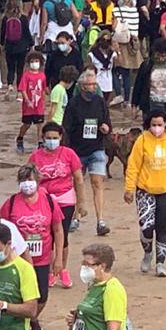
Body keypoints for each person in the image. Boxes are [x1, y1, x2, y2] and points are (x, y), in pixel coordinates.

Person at [0, 163, 63, 330]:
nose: (27, 184)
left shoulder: (49, 201)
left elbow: (58, 230)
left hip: (42, 258)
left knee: (41, 296)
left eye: (30, 180)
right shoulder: (11, 203)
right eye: (23, 181)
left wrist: (58, 258)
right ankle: (23, 328)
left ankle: (32, 317)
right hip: (16, 259)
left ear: (38, 182)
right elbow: (0, 229)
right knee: (19, 295)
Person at [123, 109, 166, 277]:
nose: (156, 128)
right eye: (153, 125)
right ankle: (147, 253)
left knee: (162, 227)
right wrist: (129, 189)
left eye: (160, 125)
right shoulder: (142, 140)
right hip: (145, 190)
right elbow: (133, 166)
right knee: (146, 227)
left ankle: (160, 263)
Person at [29, 121, 87, 288]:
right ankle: (49, 271)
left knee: (63, 235)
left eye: (55, 138)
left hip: (65, 199)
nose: (52, 141)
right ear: (43, 138)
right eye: (48, 138)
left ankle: (62, 268)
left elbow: (79, 179)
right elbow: (29, 179)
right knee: (48, 236)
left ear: (61, 137)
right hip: (44, 199)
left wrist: (81, 203)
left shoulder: (69, 154)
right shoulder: (35, 157)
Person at [63, 69, 113, 236]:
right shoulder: (73, 104)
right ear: (82, 86)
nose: (92, 87)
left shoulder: (100, 102)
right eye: (89, 85)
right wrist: (68, 151)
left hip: (97, 148)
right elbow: (66, 129)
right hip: (77, 150)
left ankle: (100, 220)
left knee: (97, 183)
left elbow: (108, 123)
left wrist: (106, 128)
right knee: (78, 184)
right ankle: (76, 217)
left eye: (94, 84)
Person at [15, 49, 46, 152]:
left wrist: (44, 102)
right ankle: (20, 138)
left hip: (39, 105)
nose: (34, 63)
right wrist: (27, 101)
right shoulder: (26, 75)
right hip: (28, 105)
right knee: (27, 124)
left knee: (40, 124)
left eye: (36, 61)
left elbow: (43, 90)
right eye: (32, 61)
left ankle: (40, 143)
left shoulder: (42, 76)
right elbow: (23, 89)